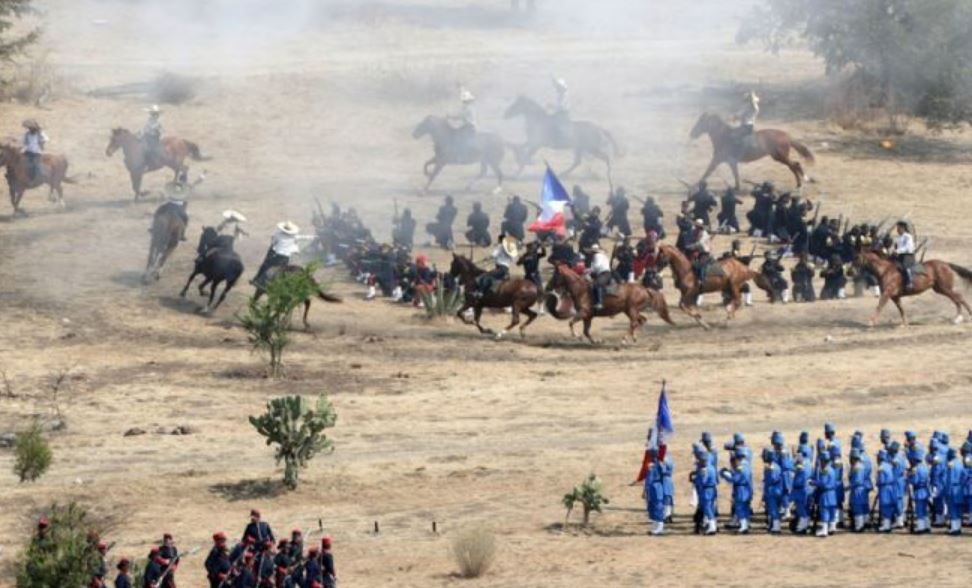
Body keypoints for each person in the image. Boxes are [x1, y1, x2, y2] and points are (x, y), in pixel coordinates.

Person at [251, 222, 309, 287]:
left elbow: (273, 243)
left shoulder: (277, 235)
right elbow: (305, 237)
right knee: (284, 272)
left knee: (265, 265)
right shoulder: (294, 237)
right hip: (286, 259)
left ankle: (256, 280)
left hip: (277, 256)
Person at [719, 452, 752, 534]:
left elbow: (734, 479)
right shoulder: (747, 467)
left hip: (740, 490)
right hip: (747, 490)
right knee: (745, 508)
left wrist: (724, 474)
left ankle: (743, 526)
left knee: (740, 508)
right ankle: (745, 524)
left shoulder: (740, 469)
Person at [475, 233, 516, 298]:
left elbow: (494, 255)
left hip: (500, 268)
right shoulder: (509, 248)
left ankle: (480, 292)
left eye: (498, 240)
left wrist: (486, 258)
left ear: (500, 240)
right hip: (506, 269)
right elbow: (513, 258)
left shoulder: (500, 246)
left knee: (486, 276)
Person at [692, 450, 719, 535]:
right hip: (711, 489)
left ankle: (712, 527)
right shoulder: (712, 467)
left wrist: (696, 479)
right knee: (710, 507)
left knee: (707, 508)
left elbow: (703, 481)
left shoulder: (705, 470)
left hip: (706, 490)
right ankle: (711, 525)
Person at [813, 450, 838, 537]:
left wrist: (814, 483)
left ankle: (824, 530)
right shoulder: (832, 469)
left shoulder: (824, 471)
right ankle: (832, 527)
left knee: (825, 511)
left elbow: (823, 483)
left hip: (826, 494)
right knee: (832, 511)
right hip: (833, 494)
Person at [761, 448, 784, 534]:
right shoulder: (777, 466)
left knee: (773, 509)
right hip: (776, 490)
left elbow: (772, 479)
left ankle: (776, 526)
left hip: (772, 491)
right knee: (773, 509)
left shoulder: (772, 468)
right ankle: (773, 525)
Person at [450, 88, 477, 156]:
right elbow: (459, 116)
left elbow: (460, 116)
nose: (464, 102)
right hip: (467, 125)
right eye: (464, 101)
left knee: (460, 138)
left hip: (469, 126)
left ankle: (462, 153)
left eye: (465, 101)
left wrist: (451, 117)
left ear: (468, 101)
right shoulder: (467, 108)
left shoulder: (468, 108)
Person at [732, 90, 759, 158]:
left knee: (734, 137)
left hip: (745, 125)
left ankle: (738, 153)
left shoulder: (747, 106)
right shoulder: (755, 107)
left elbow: (739, 114)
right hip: (751, 125)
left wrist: (734, 118)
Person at [645, 451, 666, 535]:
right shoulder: (651, 464)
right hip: (651, 487)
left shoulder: (659, 464)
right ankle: (654, 527)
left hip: (657, 487)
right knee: (652, 507)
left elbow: (664, 473)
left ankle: (660, 528)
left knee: (658, 507)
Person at [685, 219, 711, 284]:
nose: (696, 228)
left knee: (700, 265)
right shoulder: (693, 232)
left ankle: (701, 279)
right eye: (696, 226)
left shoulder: (704, 234)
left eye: (698, 226)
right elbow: (690, 239)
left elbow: (699, 243)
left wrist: (690, 246)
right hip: (696, 251)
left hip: (704, 252)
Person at [587, 243, 612, 310]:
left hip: (604, 273)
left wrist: (587, 271)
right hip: (605, 273)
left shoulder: (597, 255)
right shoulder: (602, 256)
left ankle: (600, 303)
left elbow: (597, 266)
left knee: (597, 284)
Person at [791, 454, 812, 534]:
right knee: (804, 510)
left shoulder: (802, 471)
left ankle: (801, 527)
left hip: (801, 493)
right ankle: (804, 526)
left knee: (801, 510)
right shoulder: (804, 470)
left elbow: (799, 483)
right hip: (803, 492)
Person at [893, 220, 916, 291]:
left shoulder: (908, 237)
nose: (897, 230)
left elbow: (907, 247)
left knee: (905, 267)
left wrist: (898, 251)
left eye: (899, 228)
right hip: (899, 255)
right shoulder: (898, 238)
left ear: (903, 228)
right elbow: (896, 247)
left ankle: (910, 282)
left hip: (907, 256)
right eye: (897, 228)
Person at [551, 77, 571, 145]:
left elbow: (561, 106)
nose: (557, 88)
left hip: (563, 114)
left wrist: (552, 106)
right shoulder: (561, 95)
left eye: (558, 87)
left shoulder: (564, 95)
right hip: (560, 113)